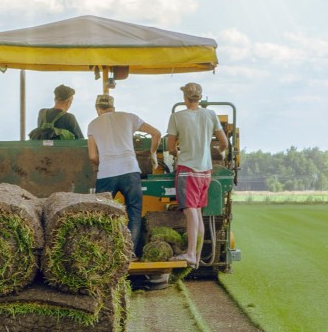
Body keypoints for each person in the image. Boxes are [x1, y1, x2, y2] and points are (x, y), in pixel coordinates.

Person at [86, 93, 160, 254]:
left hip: (106, 173)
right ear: (113, 107)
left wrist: (104, 162)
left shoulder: (93, 124)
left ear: (98, 109)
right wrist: (153, 153)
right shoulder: (129, 117)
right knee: (134, 211)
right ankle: (129, 252)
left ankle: (104, 252)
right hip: (130, 170)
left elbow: (92, 156)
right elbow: (156, 133)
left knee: (102, 214)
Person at [164, 82, 227, 268]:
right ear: (200, 97)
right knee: (198, 212)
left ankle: (191, 254)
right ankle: (196, 256)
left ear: (184, 98)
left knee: (190, 210)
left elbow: (170, 147)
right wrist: (219, 152)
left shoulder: (176, 116)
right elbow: (223, 143)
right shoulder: (211, 114)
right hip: (205, 171)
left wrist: (177, 152)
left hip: (187, 169)